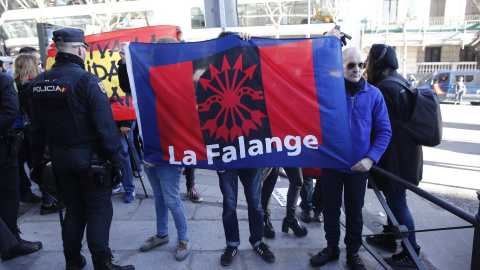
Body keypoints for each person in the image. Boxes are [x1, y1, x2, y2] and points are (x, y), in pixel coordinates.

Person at [29, 27, 134, 270]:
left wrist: (36, 164)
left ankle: (73, 262)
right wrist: (117, 162)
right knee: (98, 209)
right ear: (79, 49)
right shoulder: (86, 80)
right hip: (90, 159)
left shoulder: (38, 82)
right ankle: (102, 263)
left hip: (60, 157)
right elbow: (106, 127)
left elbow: (35, 130)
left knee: (74, 209)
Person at [309, 45, 391, 270]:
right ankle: (332, 248)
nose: (357, 69)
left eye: (361, 64)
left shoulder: (374, 94)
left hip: (359, 167)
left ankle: (353, 252)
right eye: (351, 64)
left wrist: (371, 159)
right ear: (341, 65)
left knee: (355, 212)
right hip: (332, 164)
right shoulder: (329, 91)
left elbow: (384, 131)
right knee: (331, 210)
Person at [117, 37, 190, 261]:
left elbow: (180, 123)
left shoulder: (180, 80)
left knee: (170, 197)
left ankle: (183, 239)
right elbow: (127, 87)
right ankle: (162, 234)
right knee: (159, 196)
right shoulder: (148, 75)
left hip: (168, 151)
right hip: (149, 147)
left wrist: (158, 152)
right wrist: (123, 63)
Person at [215, 31, 275, 267]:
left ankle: (257, 241)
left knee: (255, 203)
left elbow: (271, 66)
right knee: (229, 205)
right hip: (225, 156)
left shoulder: (250, 68)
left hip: (252, 151)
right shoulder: (208, 72)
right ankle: (232, 244)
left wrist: (253, 42)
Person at [365, 43, 423, 269]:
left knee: (398, 203)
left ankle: (411, 252)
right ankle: (390, 237)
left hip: (396, 160)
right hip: (405, 157)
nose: (367, 66)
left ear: (380, 64)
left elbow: (378, 127)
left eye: (369, 61)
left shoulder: (386, 88)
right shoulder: (399, 82)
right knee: (394, 200)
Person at [0, 70, 42, 261]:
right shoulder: (4, 81)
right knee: (9, 193)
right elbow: (8, 114)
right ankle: (11, 242)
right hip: (2, 150)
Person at [13, 53, 60, 215]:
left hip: (25, 129)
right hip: (37, 129)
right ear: (30, 66)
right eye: (38, 64)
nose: (40, 66)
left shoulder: (16, 84)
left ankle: (48, 198)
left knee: (36, 163)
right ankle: (49, 201)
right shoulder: (32, 86)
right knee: (44, 163)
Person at [261, 167, 307, 238]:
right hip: (273, 156)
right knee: (269, 183)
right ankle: (265, 219)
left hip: (288, 156)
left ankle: (291, 219)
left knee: (297, 181)